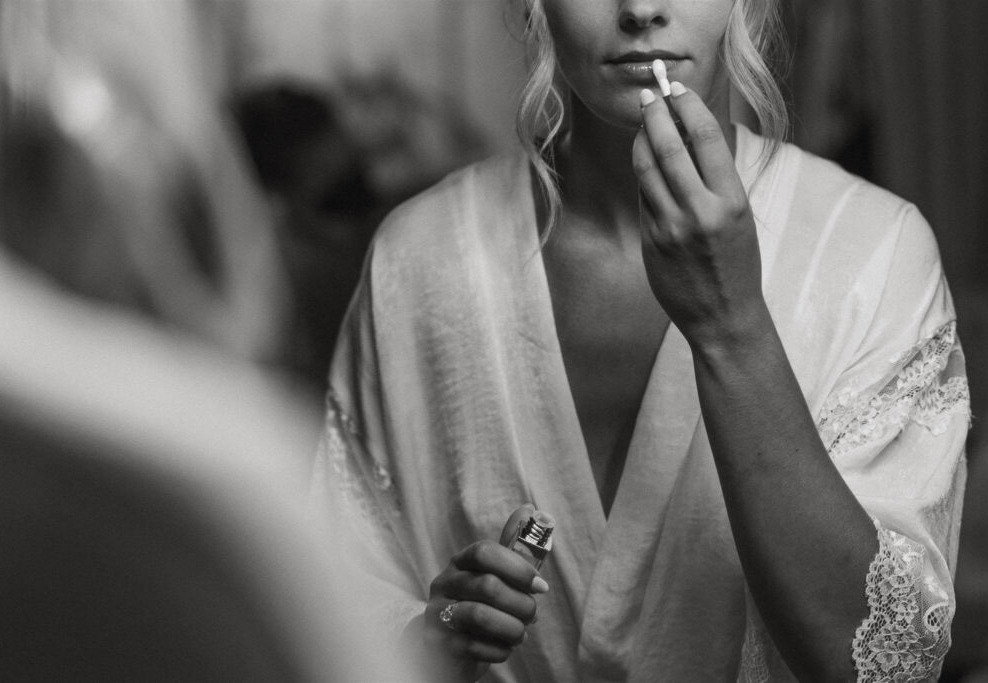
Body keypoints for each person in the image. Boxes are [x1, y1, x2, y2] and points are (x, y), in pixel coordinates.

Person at [311, 0, 970, 681]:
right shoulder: (416, 258)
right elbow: (321, 603)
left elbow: (883, 664)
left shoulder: (877, 250)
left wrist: (732, 326)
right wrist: (427, 638)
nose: (642, 9)